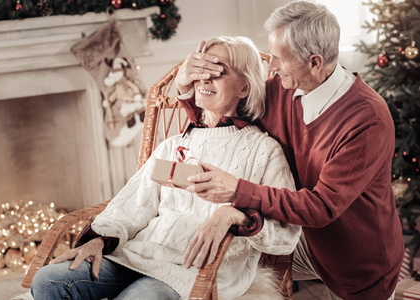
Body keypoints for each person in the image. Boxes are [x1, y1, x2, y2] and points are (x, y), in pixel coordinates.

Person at [30, 36, 301, 300]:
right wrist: (99, 240)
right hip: (138, 256)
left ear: (244, 87)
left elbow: (285, 236)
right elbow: (135, 203)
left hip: (197, 271)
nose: (205, 78)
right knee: (48, 281)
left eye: (218, 71)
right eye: (201, 69)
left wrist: (236, 215)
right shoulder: (173, 145)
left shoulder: (264, 151)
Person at [175, 2, 404, 300]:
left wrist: (237, 191)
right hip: (300, 238)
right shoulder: (280, 89)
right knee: (215, 261)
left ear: (314, 62)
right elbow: (225, 112)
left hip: (358, 262)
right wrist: (185, 88)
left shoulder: (367, 119)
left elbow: (322, 207)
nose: (270, 67)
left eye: (280, 59)